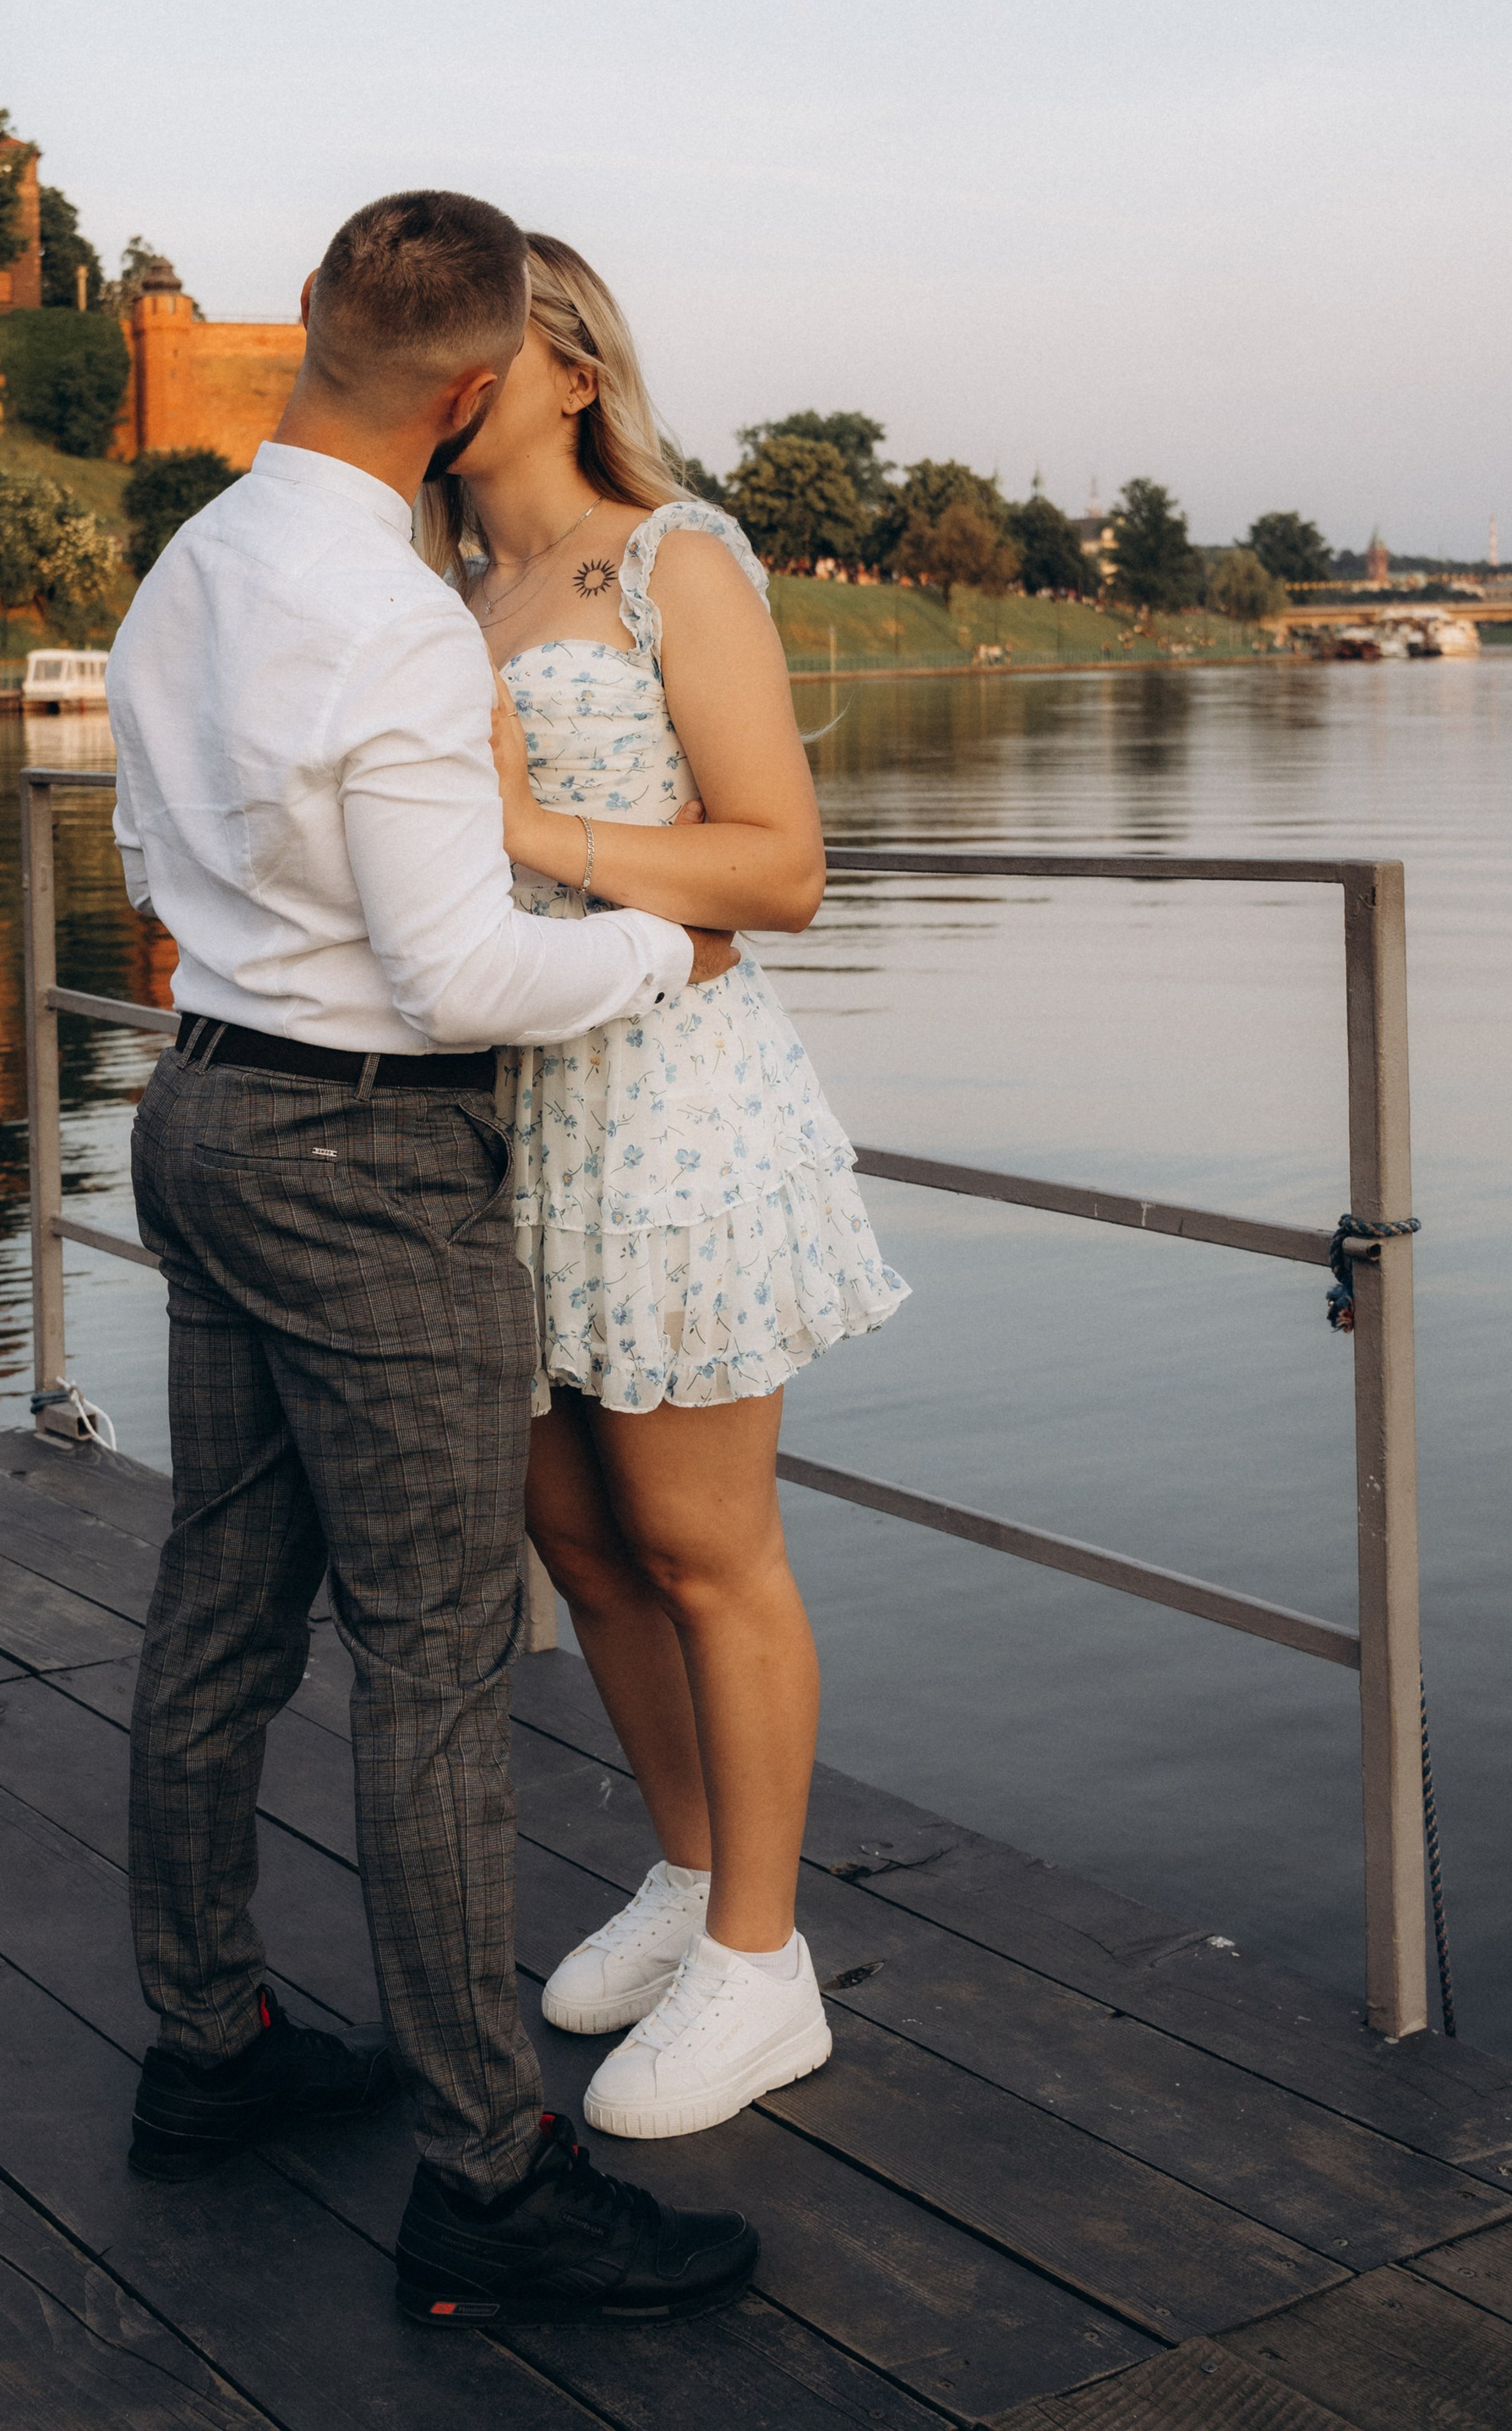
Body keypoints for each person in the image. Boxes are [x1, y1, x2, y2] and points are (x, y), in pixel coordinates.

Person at [106, 189, 760, 2328]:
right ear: (477, 383)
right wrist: (667, 943)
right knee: (428, 1664)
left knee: (220, 1595)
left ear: (308, 321)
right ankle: (489, 2175)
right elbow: (463, 967)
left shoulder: (197, 563)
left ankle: (208, 2046)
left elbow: (147, 857)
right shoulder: (391, 618)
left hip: (196, 1108)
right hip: (361, 1159)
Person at [423, 232, 908, 2142]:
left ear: (560, 363)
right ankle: (697, 1880)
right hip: (503, 1115)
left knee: (707, 1551)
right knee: (586, 1548)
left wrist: (522, 821)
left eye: (481, 341)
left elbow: (779, 868)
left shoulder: (671, 556)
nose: (444, 375)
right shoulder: (452, 590)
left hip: (675, 1120)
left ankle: (766, 1968)